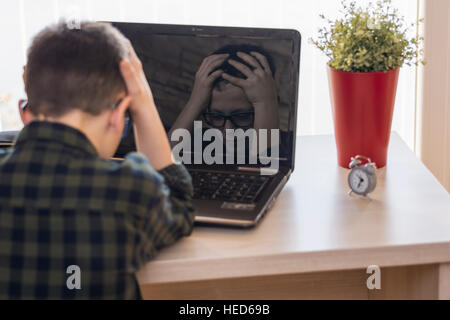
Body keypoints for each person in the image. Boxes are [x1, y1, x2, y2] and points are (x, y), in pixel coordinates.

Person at [0, 21, 195, 299]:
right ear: (118, 114)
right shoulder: (130, 190)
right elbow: (178, 201)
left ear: (24, 113)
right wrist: (143, 103)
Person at [169, 44, 280, 137]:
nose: (228, 130)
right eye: (216, 117)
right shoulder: (198, 143)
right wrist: (194, 103)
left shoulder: (293, 147)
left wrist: (265, 102)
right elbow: (161, 163)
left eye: (242, 116)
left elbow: (267, 162)